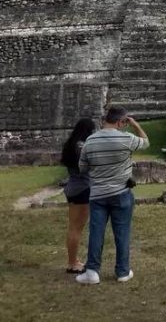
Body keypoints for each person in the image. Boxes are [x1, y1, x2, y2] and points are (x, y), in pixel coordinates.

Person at [75, 106, 149, 285]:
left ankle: (92, 270)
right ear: (120, 122)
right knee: (122, 233)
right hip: (121, 192)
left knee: (96, 232)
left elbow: (82, 168)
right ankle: (122, 271)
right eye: (124, 122)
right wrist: (135, 125)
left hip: (98, 193)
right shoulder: (126, 139)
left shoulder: (90, 141)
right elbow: (146, 142)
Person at [60, 117, 97, 274]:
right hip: (82, 188)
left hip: (73, 187)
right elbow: (88, 165)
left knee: (73, 227)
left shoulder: (70, 144)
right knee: (77, 228)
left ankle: (72, 260)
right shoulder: (81, 146)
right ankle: (72, 262)